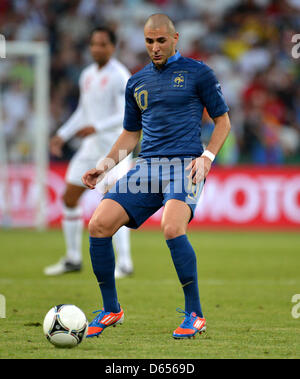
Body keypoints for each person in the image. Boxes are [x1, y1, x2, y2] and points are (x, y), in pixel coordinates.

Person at [82, 14, 231, 339]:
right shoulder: (137, 82)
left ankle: (195, 314)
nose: (155, 47)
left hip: (185, 165)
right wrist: (104, 165)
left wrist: (207, 157)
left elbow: (223, 122)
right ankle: (111, 310)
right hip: (147, 167)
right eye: (149, 41)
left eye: (161, 40)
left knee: (172, 227)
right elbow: (130, 134)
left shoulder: (199, 73)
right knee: (98, 225)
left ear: (175, 38)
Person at [44, 26, 134, 279]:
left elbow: (125, 114)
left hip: (115, 146)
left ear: (112, 47)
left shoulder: (120, 76)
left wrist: (97, 126)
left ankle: (125, 263)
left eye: (102, 44)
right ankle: (73, 258)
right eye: (94, 44)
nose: (97, 48)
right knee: (69, 197)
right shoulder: (87, 75)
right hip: (90, 145)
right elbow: (83, 112)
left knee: (115, 204)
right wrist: (62, 134)